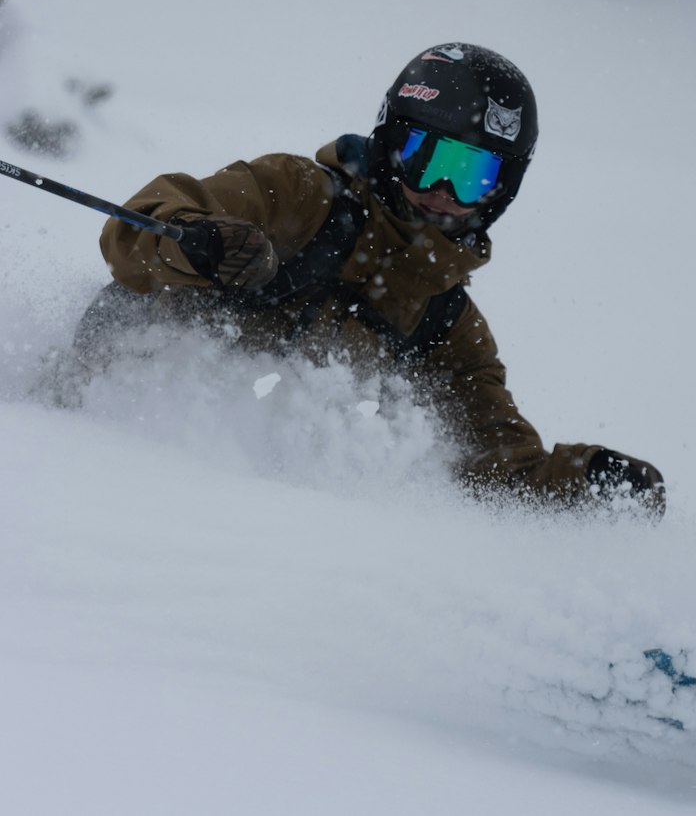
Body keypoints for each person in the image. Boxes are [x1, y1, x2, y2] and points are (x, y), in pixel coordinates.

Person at [96, 43, 665, 516]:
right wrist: (200, 242)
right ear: (391, 143)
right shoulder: (298, 194)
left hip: (249, 519)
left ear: (502, 191)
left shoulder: (442, 317)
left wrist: (583, 482)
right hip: (110, 451)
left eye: (473, 174)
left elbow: (499, 469)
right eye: (427, 158)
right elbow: (135, 229)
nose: (444, 188)